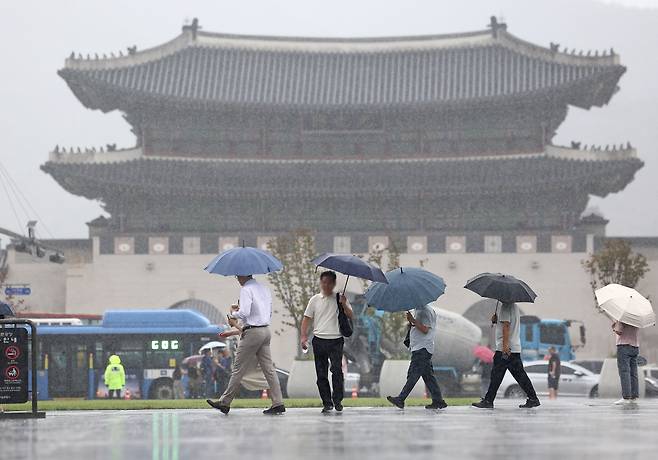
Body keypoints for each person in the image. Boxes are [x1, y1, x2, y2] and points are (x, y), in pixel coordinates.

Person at [206, 275, 285, 415]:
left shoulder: (246, 289)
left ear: (243, 275)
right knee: (269, 370)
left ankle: (225, 402)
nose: (237, 278)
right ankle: (278, 403)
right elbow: (267, 312)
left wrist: (233, 314)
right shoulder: (264, 289)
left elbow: (245, 312)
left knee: (238, 368)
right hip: (265, 330)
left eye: (237, 276)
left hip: (253, 332)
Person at [300, 270, 354, 413]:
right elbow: (306, 319)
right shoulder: (314, 300)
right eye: (324, 282)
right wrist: (303, 337)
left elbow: (351, 315)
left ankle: (338, 400)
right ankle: (327, 402)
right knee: (321, 374)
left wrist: (344, 304)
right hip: (319, 340)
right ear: (321, 283)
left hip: (336, 340)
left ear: (334, 283)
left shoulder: (340, 298)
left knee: (337, 371)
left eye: (329, 282)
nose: (326, 285)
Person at [472, 302, 540, 409]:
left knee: (496, 375)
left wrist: (505, 346)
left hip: (505, 348)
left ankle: (488, 401)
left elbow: (506, 326)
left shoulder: (505, 306)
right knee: (519, 375)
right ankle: (533, 398)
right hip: (514, 347)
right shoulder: (514, 306)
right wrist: (496, 320)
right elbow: (507, 324)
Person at [386, 305, 447, 410]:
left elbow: (425, 329)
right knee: (428, 377)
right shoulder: (419, 310)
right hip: (420, 348)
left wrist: (413, 320)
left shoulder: (425, 311)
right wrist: (411, 322)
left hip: (422, 349)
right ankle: (438, 401)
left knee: (413, 375)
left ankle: (401, 399)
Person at [612, 320, 640, 405]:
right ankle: (634, 396)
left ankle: (626, 397)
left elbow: (619, 331)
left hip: (623, 346)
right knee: (633, 373)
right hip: (635, 347)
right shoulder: (636, 319)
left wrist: (614, 325)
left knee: (624, 372)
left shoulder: (623, 318)